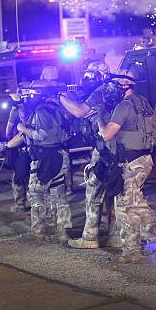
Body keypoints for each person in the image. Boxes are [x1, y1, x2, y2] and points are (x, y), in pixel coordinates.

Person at [97, 70, 156, 263]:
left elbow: (108, 134)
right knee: (135, 201)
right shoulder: (143, 102)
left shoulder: (123, 106)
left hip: (131, 162)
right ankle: (150, 240)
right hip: (144, 158)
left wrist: (99, 123)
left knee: (126, 205)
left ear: (127, 85)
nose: (112, 88)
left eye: (116, 85)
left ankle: (134, 250)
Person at [61, 64, 121, 249]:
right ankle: (116, 236)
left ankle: (90, 237)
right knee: (115, 193)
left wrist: (61, 97)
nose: (86, 79)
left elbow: (79, 111)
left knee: (94, 191)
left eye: (89, 74)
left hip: (103, 150)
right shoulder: (116, 90)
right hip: (119, 149)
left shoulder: (100, 92)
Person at [17, 80, 72, 243]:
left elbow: (42, 135)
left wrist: (23, 129)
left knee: (36, 194)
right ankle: (62, 232)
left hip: (43, 157)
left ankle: (40, 232)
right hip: (60, 155)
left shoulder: (41, 111)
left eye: (32, 93)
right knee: (59, 195)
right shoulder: (58, 109)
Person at [4, 85, 33, 212]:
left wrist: (8, 143)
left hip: (23, 149)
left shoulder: (18, 109)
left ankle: (20, 204)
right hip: (37, 148)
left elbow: (9, 129)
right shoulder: (36, 107)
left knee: (19, 177)